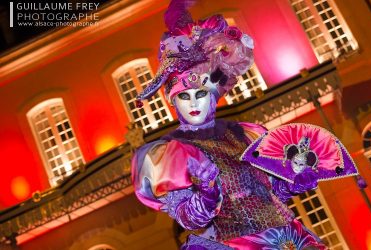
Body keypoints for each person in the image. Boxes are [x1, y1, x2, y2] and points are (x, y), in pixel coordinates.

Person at [132, 0, 327, 249]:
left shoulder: (245, 134)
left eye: (201, 94)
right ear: (172, 101)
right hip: (234, 242)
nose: (193, 103)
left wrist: (294, 181)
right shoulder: (173, 152)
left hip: (286, 238)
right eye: (184, 96)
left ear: (213, 94)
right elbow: (188, 218)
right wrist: (207, 191)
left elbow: (269, 191)